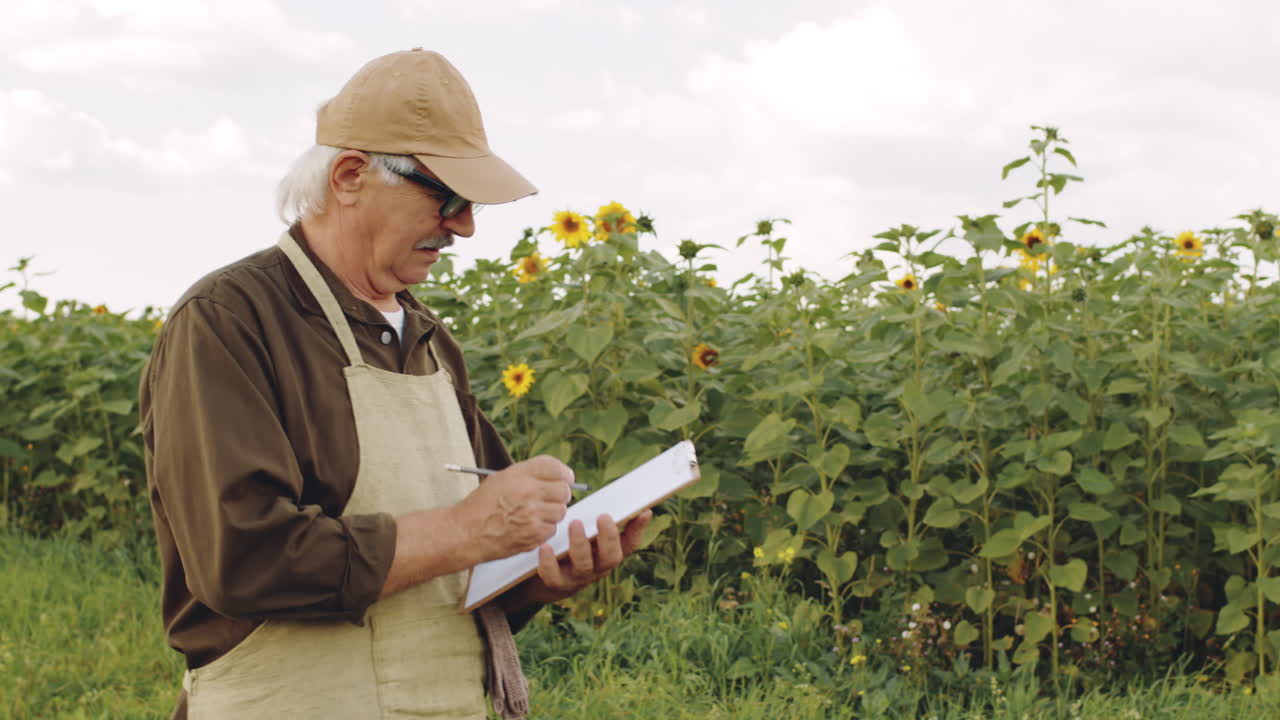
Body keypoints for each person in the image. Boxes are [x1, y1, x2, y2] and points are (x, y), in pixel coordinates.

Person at [139, 48, 652, 720]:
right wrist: (466, 530)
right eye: (448, 196)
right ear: (351, 175)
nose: (465, 224)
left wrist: (544, 571)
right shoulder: (228, 322)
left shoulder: (430, 341)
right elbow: (242, 558)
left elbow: (476, 568)